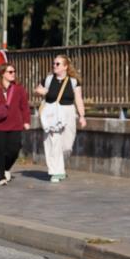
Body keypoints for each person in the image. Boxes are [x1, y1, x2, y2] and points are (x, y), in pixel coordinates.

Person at [34, 54, 86, 183]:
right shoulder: (48, 79)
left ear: (65, 67)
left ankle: (58, 165)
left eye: (57, 64)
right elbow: (37, 89)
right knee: (53, 142)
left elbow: (78, 99)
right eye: (53, 63)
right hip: (52, 113)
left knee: (66, 145)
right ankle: (56, 171)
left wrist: (82, 116)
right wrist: (40, 91)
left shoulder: (74, 81)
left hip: (67, 112)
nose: (54, 66)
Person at [0, 63, 31, 185]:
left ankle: (5, 168)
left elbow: (25, 106)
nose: (13, 73)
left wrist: (26, 121)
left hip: (15, 125)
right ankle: (0, 177)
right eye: (10, 72)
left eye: (14, 71)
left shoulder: (19, 89)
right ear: (2, 73)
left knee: (14, 149)